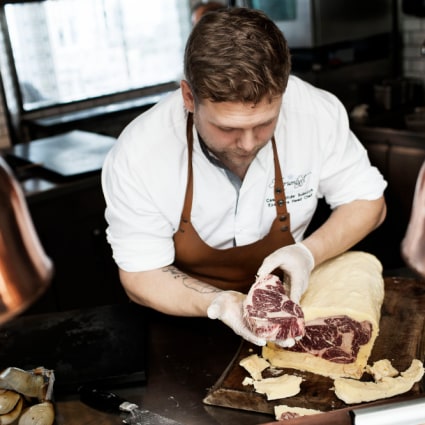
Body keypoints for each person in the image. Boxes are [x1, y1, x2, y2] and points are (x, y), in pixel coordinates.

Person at [102, 8, 387, 347]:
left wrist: (307, 254)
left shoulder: (315, 113)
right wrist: (220, 304)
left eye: (265, 123)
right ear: (189, 97)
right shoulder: (140, 153)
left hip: (288, 318)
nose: (248, 144)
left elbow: (368, 202)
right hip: (186, 324)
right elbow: (140, 274)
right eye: (227, 128)